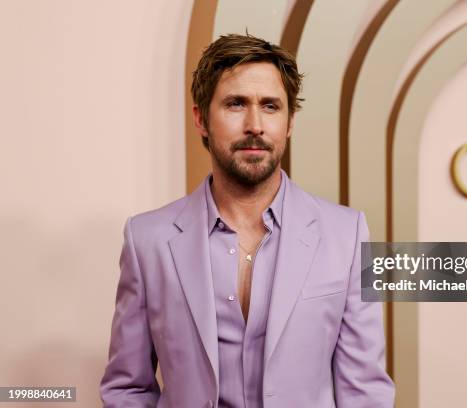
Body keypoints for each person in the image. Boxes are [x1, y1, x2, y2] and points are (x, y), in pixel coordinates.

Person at [100, 33, 395, 408]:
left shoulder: (347, 235)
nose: (255, 124)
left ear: (289, 123)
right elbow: (127, 388)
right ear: (201, 119)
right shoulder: (147, 240)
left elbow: (365, 392)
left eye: (271, 106)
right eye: (236, 104)